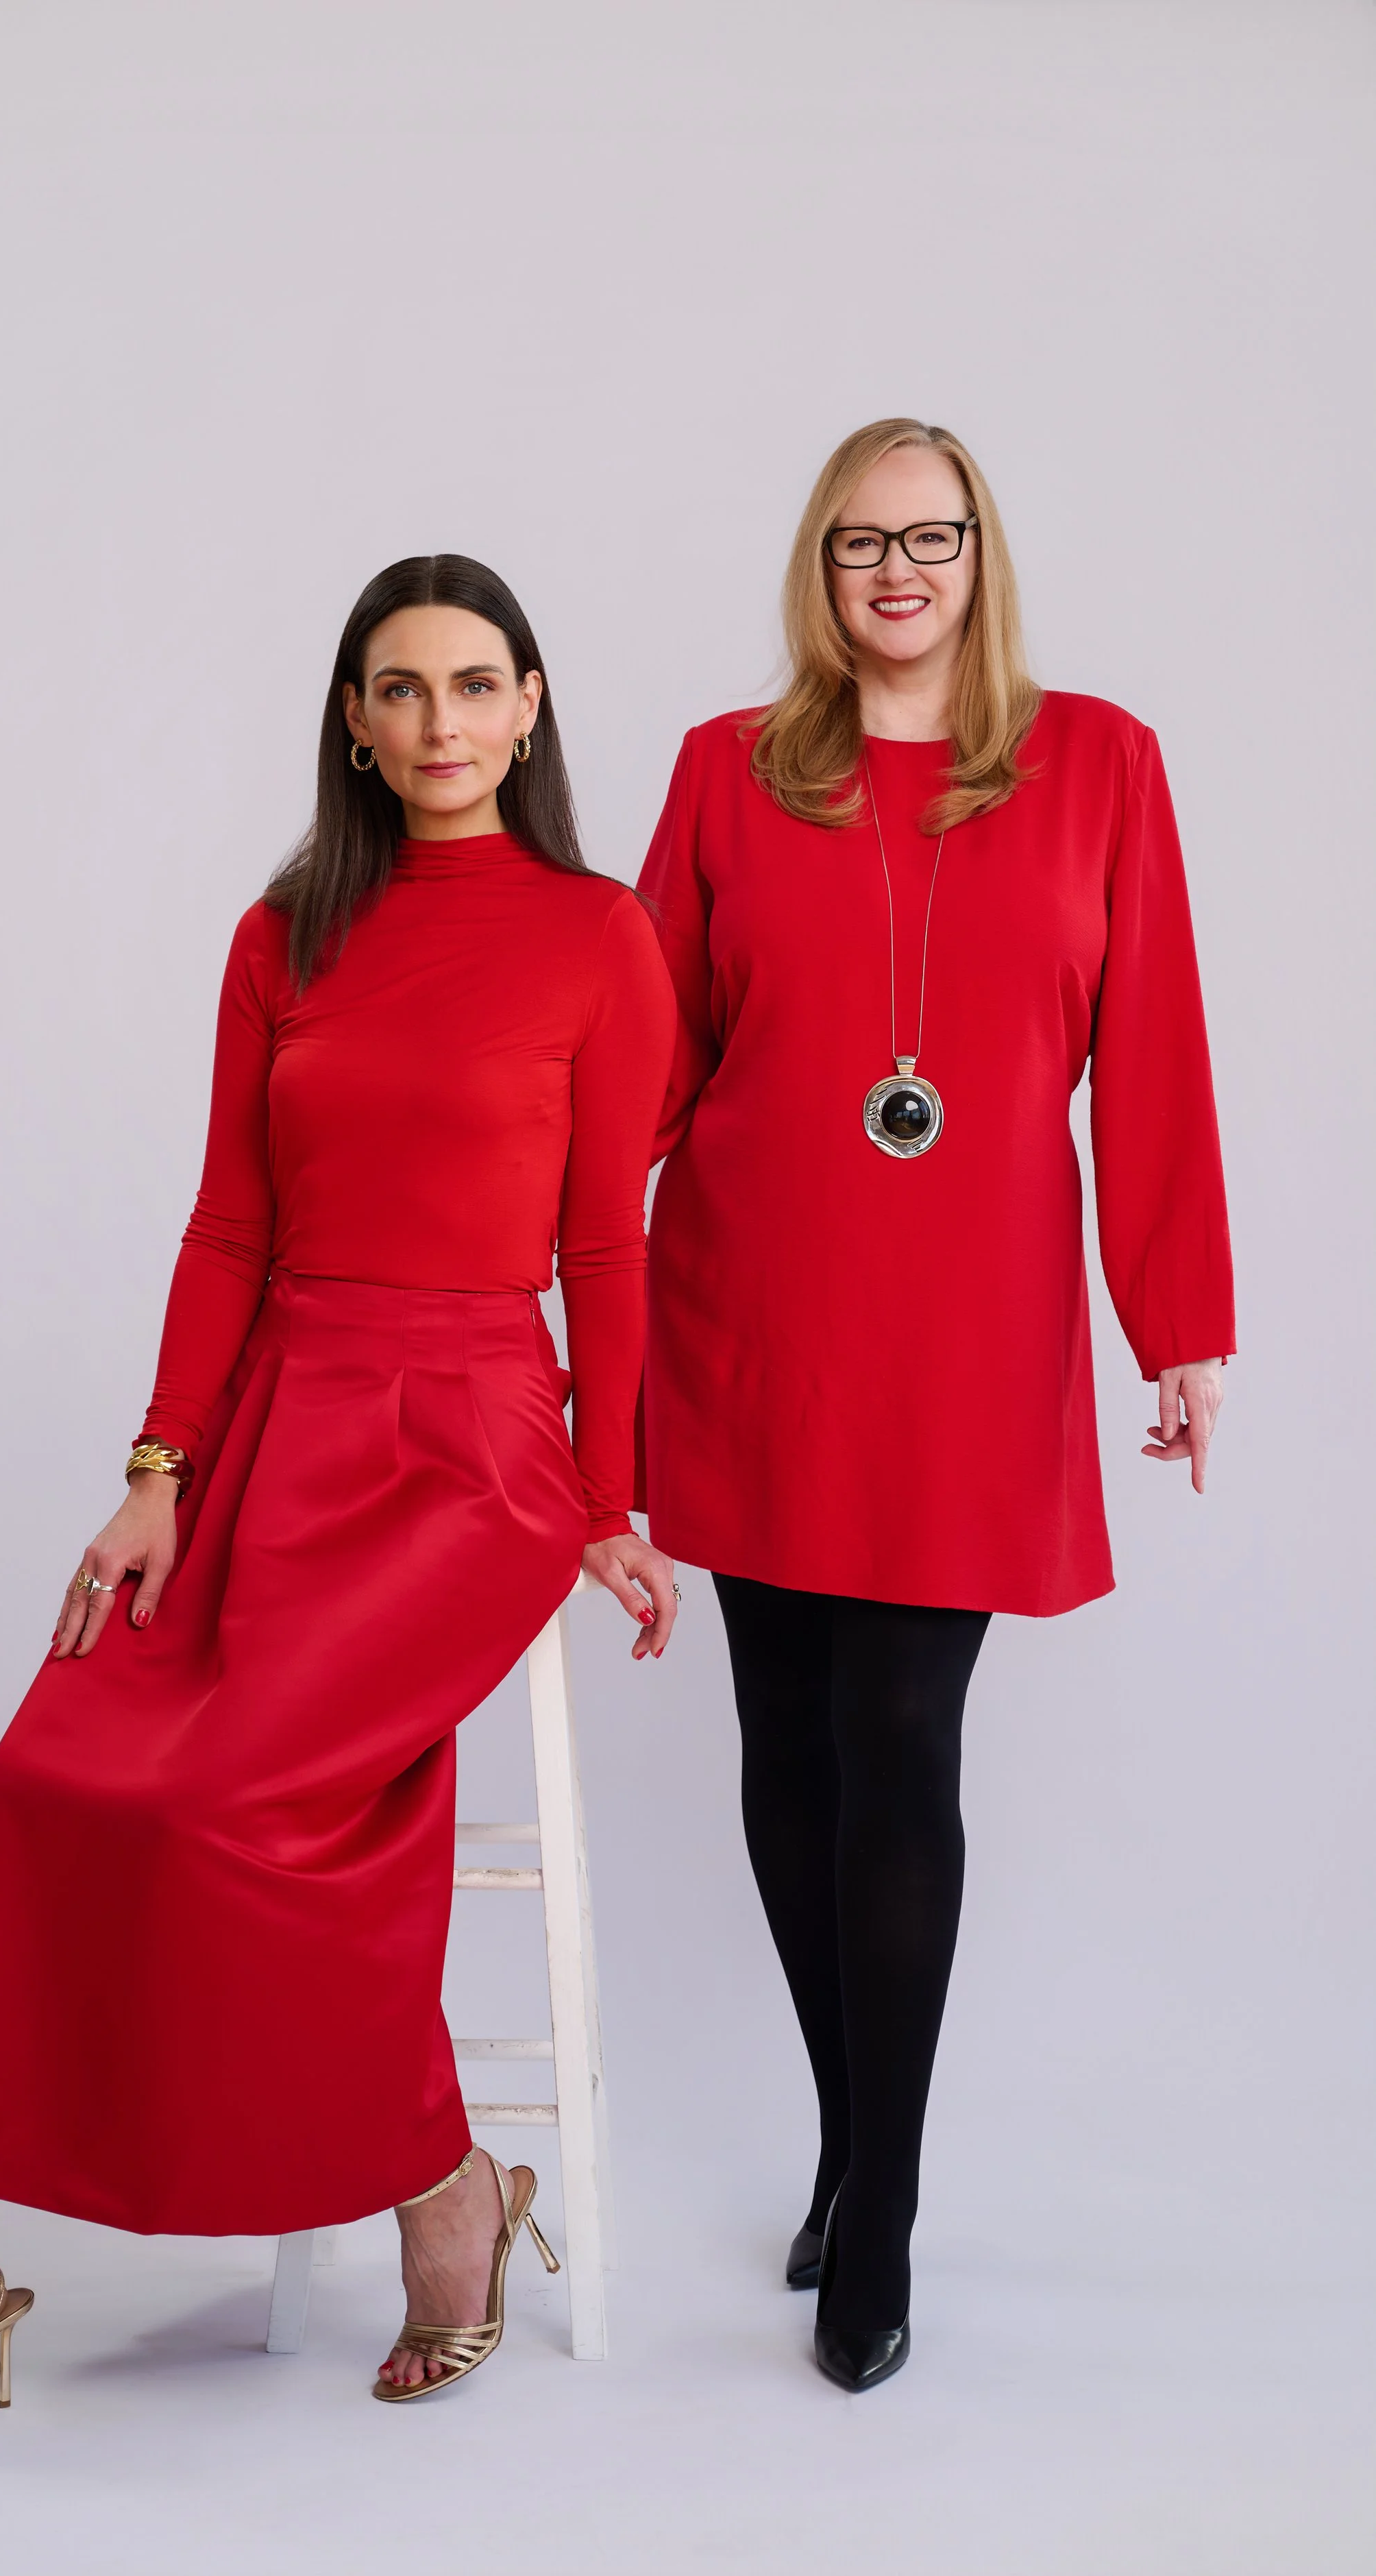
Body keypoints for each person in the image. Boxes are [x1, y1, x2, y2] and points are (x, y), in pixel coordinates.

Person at [0, 555, 678, 2452]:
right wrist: (152, 1473)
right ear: (353, 724)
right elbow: (227, 1223)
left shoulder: (596, 937)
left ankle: (444, 2185)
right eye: (398, 688)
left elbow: (605, 1248)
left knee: (237, 1798)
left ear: (529, 705)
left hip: (467, 1445)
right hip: (274, 1421)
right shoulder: (282, 933)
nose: (438, 722)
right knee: (51, 1772)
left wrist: (615, 1490)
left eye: (472, 684)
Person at [637, 418, 1234, 2392]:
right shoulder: (725, 772)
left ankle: (875, 2201)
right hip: (746, 1320)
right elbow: (636, 1052)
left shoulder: (1100, 765)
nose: (895, 571)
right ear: (814, 570)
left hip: (966, 1338)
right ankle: (848, 2130)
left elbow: (1145, 1042)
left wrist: (1180, 1321)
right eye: (856, 542)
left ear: (981, 555)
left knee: (903, 1735)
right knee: (787, 1748)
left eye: (930, 536)